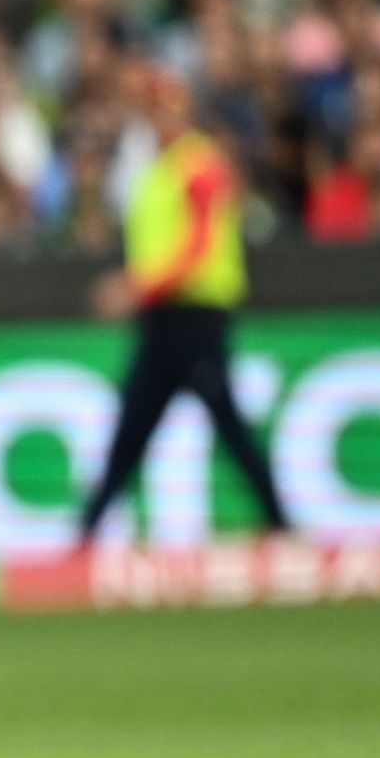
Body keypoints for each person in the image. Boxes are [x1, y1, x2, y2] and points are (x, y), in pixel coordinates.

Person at [80, 58, 290, 541]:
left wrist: (135, 287)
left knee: (227, 428)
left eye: (166, 107)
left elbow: (195, 246)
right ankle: (83, 538)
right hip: (162, 321)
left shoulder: (200, 163)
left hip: (196, 317)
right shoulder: (158, 170)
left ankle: (281, 525)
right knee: (132, 433)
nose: (160, 117)